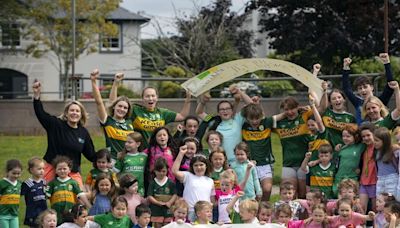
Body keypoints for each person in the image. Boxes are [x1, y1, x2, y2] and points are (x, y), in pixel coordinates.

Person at [32, 81, 96, 187]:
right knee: (45, 197)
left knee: (79, 198)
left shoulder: (83, 132)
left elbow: (91, 155)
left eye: (77, 111)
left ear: (81, 115)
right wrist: (37, 96)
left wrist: (106, 157)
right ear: (66, 113)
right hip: (52, 169)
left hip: (72, 171)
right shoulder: (56, 124)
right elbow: (41, 114)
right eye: (71, 110)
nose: (74, 113)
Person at [111, 82, 191, 148]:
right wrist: (115, 84)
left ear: (157, 98)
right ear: (142, 98)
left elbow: (182, 116)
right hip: (140, 152)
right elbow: (115, 104)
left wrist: (188, 99)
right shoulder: (135, 110)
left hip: (157, 152)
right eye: (147, 96)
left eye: (153, 96)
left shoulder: (163, 113)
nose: (150, 98)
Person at [196, 86, 253, 164]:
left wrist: (240, 92)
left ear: (232, 110)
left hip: (238, 160)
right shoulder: (214, 121)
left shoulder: (238, 119)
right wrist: (203, 102)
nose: (225, 111)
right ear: (218, 112)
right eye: (222, 109)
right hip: (221, 162)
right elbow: (199, 113)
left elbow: (252, 106)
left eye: (227, 109)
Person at [241, 103, 285, 200]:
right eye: (251, 119)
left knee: (267, 189)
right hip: (249, 164)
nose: (254, 121)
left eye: (257, 118)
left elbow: (283, 114)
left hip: (265, 163)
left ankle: (264, 209)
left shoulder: (267, 122)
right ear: (246, 118)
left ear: (261, 116)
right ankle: (254, 210)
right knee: (253, 192)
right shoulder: (243, 126)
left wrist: (299, 109)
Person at [273, 96, 313, 198]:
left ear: (297, 107)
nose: (290, 112)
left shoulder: (304, 116)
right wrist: (284, 114)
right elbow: (265, 121)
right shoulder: (280, 123)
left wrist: (300, 110)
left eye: (292, 108)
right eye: (286, 109)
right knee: (289, 195)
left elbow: (321, 108)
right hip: (288, 164)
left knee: (303, 196)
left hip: (304, 163)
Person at [90, 69, 134, 162]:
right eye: (120, 106)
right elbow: (99, 102)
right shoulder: (107, 121)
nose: (122, 109)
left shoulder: (129, 123)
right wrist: (94, 81)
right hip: (112, 162)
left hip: (128, 161)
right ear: (114, 107)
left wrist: (116, 82)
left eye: (125, 108)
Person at [342, 53, 395, 125]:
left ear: (372, 87)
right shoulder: (358, 102)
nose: (363, 90)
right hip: (363, 133)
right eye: (360, 88)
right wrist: (346, 68)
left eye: (365, 87)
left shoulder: (380, 101)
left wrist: (386, 63)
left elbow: (390, 85)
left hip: (378, 133)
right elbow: (346, 89)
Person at [172, 145, 215, 222]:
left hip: (205, 213)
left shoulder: (210, 181)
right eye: (196, 165)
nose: (198, 167)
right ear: (192, 167)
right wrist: (181, 153)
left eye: (201, 165)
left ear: (206, 166)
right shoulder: (188, 176)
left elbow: (212, 200)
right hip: (191, 211)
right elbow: (174, 171)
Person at [46, 156, 91, 224]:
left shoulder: (73, 182)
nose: (62, 171)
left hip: (70, 212)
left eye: (64, 169)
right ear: (55, 170)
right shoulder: (52, 183)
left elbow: (81, 195)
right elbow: (46, 197)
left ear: (69, 170)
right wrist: (47, 210)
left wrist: (88, 205)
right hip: (56, 212)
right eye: (59, 169)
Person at [333, 125, 365, 196]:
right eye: (343, 136)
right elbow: (335, 163)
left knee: (352, 197)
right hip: (340, 177)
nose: (345, 138)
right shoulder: (340, 148)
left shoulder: (360, 146)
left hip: (352, 177)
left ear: (355, 136)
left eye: (348, 136)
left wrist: (360, 169)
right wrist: (336, 151)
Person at [148, 157, 177, 228]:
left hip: (168, 210)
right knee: (157, 225)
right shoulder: (152, 183)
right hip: (156, 210)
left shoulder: (170, 182)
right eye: (159, 171)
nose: (161, 173)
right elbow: (150, 196)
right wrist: (158, 203)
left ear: (167, 170)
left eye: (163, 171)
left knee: (167, 225)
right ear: (155, 171)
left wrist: (170, 202)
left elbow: (175, 194)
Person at [21, 157, 47, 227]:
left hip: (43, 212)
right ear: (31, 170)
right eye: (39, 169)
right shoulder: (27, 184)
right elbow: (18, 195)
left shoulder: (44, 182)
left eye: (43, 169)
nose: (42, 171)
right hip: (32, 213)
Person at [375, 127, 399, 197]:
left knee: (390, 199)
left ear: (385, 141)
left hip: (391, 178)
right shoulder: (377, 151)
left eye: (377, 140)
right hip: (380, 179)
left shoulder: (393, 150)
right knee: (379, 199)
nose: (374, 142)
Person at [0, 159, 22, 228]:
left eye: (18, 173)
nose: (16, 176)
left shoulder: (20, 184)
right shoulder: (2, 183)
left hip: (14, 215)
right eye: (13, 173)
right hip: (3, 215)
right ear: (7, 172)